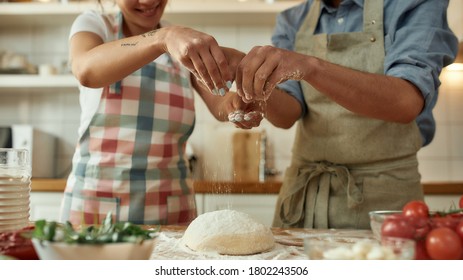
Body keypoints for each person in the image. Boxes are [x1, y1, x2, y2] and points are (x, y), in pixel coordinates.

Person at [234, 0, 459, 229]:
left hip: (385, 203)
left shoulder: (414, 4)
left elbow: (404, 102)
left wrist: (310, 67)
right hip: (303, 201)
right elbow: (287, 114)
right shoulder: (293, 20)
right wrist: (243, 74)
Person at [59, 0, 261, 226]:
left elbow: (220, 103)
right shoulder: (95, 25)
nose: (147, 1)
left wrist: (238, 104)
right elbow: (86, 70)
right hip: (95, 209)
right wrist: (162, 38)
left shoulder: (182, 43)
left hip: (172, 210)